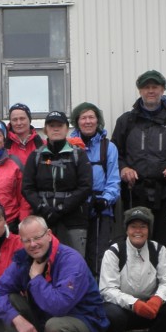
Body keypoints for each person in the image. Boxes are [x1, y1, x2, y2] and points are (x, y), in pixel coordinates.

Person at [0, 215, 108, 332]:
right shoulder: (23, 260)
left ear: (49, 235)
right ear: (21, 241)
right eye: (27, 240)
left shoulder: (70, 260)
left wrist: (36, 278)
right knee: (12, 300)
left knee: (54, 327)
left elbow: (59, 307)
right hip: (44, 321)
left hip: (84, 322)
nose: (33, 244)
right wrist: (16, 318)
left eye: (37, 238)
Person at [98, 206, 166, 332]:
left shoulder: (158, 250)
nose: (138, 231)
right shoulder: (114, 252)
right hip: (123, 310)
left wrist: (158, 299)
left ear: (149, 230)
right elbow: (107, 290)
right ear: (127, 230)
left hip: (151, 308)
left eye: (143, 226)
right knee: (110, 313)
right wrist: (134, 303)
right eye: (133, 226)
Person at [111, 70, 166, 253]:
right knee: (137, 241)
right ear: (140, 91)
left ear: (163, 90)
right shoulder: (126, 121)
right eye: (146, 87)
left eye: (155, 87)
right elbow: (115, 153)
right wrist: (124, 168)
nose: (151, 91)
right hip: (135, 192)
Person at [22, 111, 93, 256]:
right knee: (44, 261)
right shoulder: (35, 156)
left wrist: (62, 208)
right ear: (45, 129)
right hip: (43, 220)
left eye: (59, 125)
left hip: (73, 220)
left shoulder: (78, 155)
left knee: (73, 261)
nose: (55, 129)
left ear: (67, 129)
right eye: (51, 125)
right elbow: (27, 188)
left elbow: (85, 187)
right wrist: (43, 208)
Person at [70, 102, 121, 274]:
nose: (88, 121)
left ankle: (99, 287)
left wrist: (105, 200)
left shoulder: (108, 147)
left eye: (91, 117)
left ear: (98, 120)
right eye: (83, 118)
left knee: (99, 256)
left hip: (101, 210)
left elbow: (114, 179)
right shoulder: (69, 146)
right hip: (75, 209)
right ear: (77, 121)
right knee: (76, 256)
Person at [6, 102, 44, 167]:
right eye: (15, 120)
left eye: (22, 119)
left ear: (30, 120)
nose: (19, 123)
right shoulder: (2, 145)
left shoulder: (43, 144)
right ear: (10, 122)